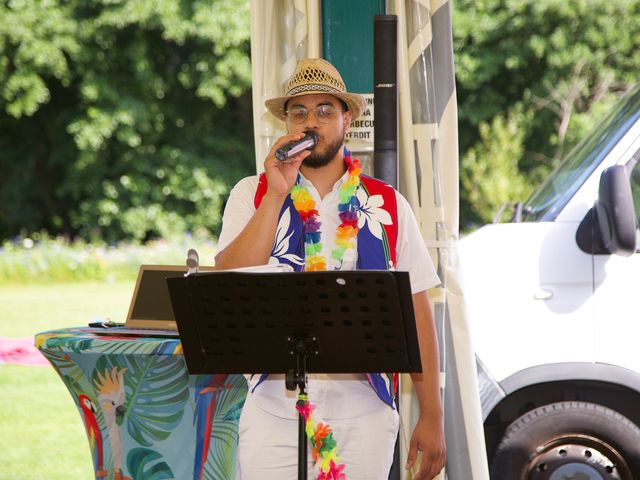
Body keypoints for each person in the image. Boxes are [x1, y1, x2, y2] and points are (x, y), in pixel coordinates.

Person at [215, 58, 445, 480]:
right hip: (273, 408)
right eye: (299, 112)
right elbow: (228, 281)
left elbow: (417, 312)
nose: (311, 122)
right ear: (286, 123)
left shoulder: (388, 203)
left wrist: (432, 414)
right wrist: (276, 195)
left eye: (325, 110)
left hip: (364, 408)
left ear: (347, 118)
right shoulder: (252, 192)